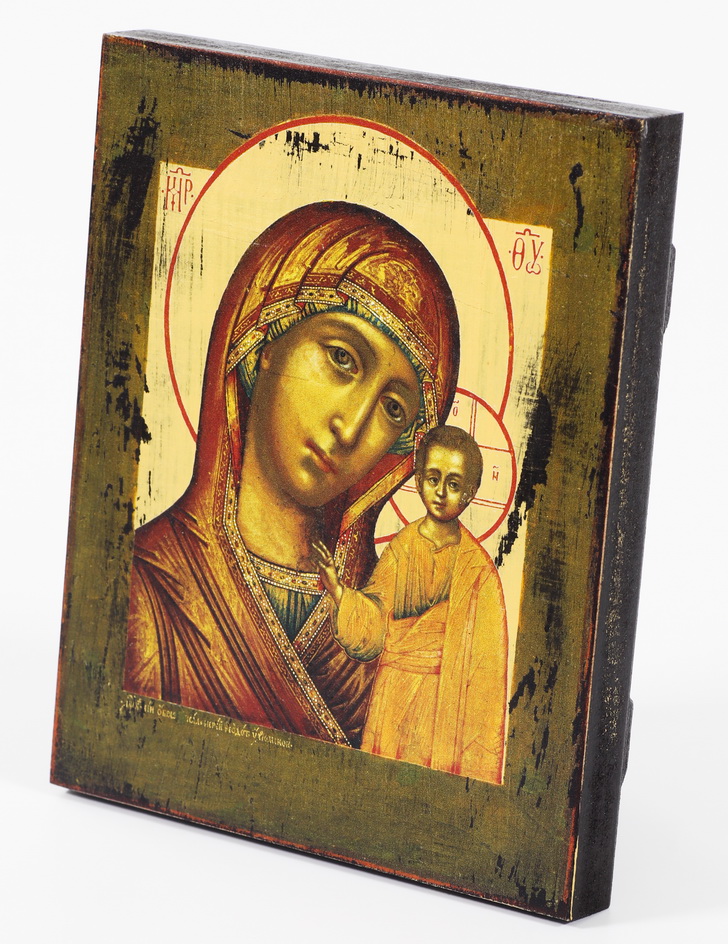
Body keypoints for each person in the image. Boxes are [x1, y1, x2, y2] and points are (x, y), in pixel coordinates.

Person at [124, 202, 459, 748]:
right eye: (341, 358)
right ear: (264, 342)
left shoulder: (390, 628)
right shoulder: (146, 590)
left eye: (393, 408)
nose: (351, 426)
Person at [313, 426, 508, 783]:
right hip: (394, 693)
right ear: (418, 481)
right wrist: (339, 592)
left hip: (444, 705)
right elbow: (375, 621)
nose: (441, 492)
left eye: (453, 483)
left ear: (470, 492)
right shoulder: (402, 547)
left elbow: (487, 673)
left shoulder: (478, 571)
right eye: (433, 479)